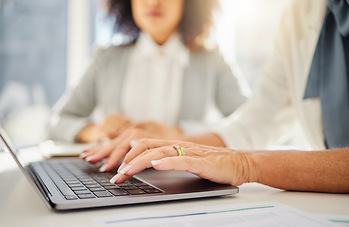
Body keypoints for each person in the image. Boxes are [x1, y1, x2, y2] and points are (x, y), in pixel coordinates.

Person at [82, 0, 349, 193]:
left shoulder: (211, 59)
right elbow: (257, 119)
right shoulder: (299, 13)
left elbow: (242, 113)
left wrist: (240, 162)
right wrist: (175, 146)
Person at [46, 0, 249, 146]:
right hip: (116, 177)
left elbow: (249, 123)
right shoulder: (106, 58)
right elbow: (57, 121)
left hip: (185, 179)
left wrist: (180, 133)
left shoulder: (212, 60)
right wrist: (94, 131)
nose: (152, 2)